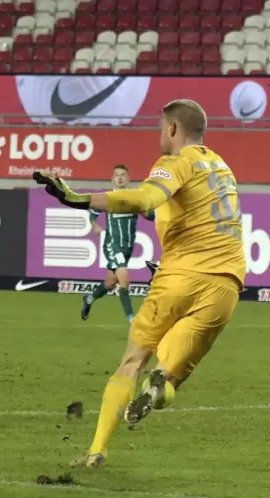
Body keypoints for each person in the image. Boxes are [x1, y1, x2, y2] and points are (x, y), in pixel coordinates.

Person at [34, 99, 245, 468]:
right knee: (172, 375)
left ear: (174, 130)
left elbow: (145, 197)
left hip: (180, 277)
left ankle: (97, 450)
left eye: (162, 127)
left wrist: (79, 198)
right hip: (226, 286)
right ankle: (161, 387)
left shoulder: (177, 162)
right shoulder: (223, 168)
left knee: (131, 362)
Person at [83, 165, 155, 324]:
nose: (120, 178)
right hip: (113, 244)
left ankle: (89, 298)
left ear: (128, 178)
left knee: (111, 282)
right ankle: (132, 320)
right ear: (112, 179)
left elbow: (150, 216)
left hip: (127, 247)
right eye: (116, 175)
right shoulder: (108, 198)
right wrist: (94, 225)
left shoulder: (135, 198)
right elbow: (93, 212)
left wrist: (148, 211)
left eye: (123, 175)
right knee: (124, 278)